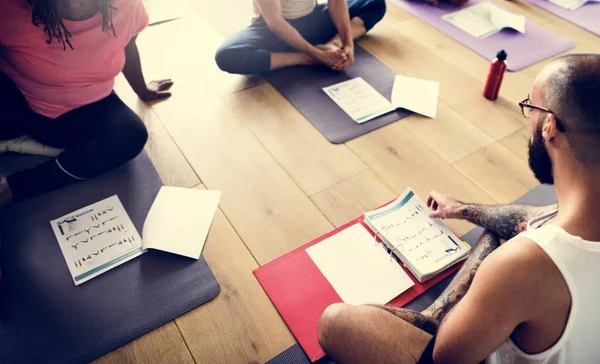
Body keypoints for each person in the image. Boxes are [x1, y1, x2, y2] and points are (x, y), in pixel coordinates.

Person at [317, 54, 600, 363]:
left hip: (461, 351)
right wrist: (461, 209)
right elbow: (530, 218)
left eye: (530, 106)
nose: (527, 118)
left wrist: (458, 309)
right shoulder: (582, 208)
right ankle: (435, 314)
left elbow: (446, 356)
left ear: (550, 125)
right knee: (501, 230)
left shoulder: (523, 264)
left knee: (336, 322)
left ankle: (434, 315)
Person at [0, 0, 173, 278]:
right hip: (21, 106)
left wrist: (142, 90)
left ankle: (11, 187)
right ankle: (25, 142)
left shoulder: (125, 6)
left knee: (131, 135)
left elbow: (128, 45)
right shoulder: (9, 8)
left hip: (88, 108)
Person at [214, 0, 387, 75]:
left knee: (375, 2)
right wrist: (315, 55)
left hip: (313, 19)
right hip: (272, 30)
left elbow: (336, 1)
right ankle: (306, 58)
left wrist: (346, 43)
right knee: (227, 55)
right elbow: (275, 22)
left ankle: (331, 45)